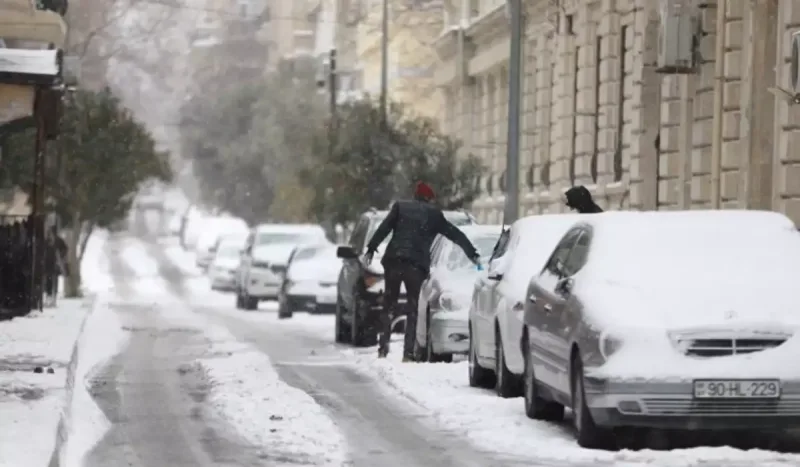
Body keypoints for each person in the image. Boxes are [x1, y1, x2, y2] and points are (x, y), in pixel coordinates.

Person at [365, 182, 480, 361]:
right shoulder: (434, 214)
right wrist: (472, 253)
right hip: (415, 266)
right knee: (413, 308)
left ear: (416, 196)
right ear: (429, 198)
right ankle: (408, 353)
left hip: (394, 261)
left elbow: (384, 228)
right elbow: (454, 234)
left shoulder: (400, 207)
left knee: (389, 303)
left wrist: (372, 247)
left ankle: (383, 347)